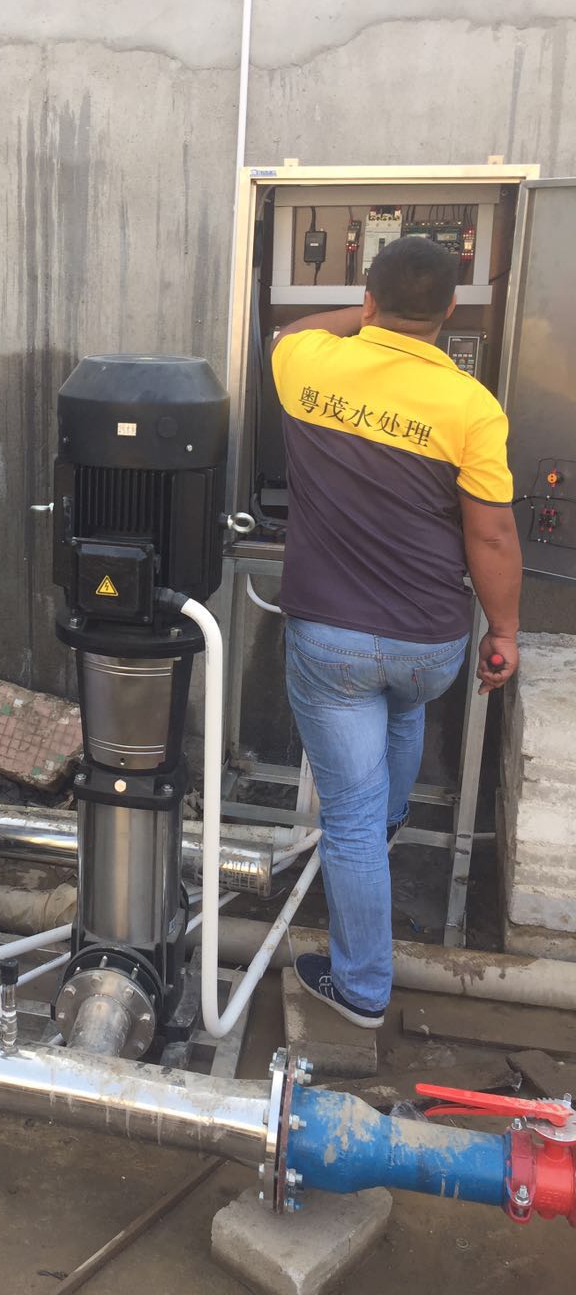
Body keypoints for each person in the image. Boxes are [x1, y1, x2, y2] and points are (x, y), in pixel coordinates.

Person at [270, 235, 522, 1028]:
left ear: (369, 300)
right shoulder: (472, 406)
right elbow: (492, 536)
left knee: (344, 818)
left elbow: (287, 331)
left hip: (333, 641)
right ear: (451, 310)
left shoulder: (308, 362)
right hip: (430, 644)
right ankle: (387, 825)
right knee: (403, 710)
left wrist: (366, 315)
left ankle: (362, 990)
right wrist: (505, 631)